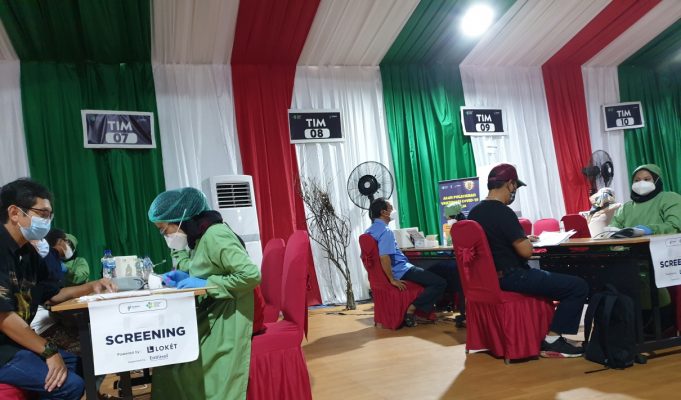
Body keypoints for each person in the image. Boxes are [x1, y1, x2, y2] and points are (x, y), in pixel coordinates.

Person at [0, 178, 115, 398]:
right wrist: (49, 351)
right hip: (3, 349)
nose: (47, 222)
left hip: (15, 344)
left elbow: (53, 295)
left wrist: (93, 286)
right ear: (14, 213)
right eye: (42, 214)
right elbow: (3, 317)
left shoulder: (27, 253)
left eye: (49, 216)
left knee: (85, 366)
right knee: (70, 385)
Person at [147, 187, 261, 400]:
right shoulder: (198, 237)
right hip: (215, 306)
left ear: (180, 219)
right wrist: (186, 274)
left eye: (163, 230)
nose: (165, 236)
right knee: (171, 356)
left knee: (185, 363)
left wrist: (208, 283)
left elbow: (251, 275)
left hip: (231, 310)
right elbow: (204, 265)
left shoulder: (216, 235)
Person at [467, 164, 588, 358]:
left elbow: (493, 241)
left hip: (489, 280)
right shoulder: (504, 212)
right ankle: (552, 341)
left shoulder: (474, 213)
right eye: (515, 186)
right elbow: (526, 253)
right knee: (577, 286)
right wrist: (525, 241)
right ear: (510, 184)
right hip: (512, 277)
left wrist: (520, 238)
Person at [609, 164, 681, 334]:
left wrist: (649, 230)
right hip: (630, 256)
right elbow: (613, 229)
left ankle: (662, 325)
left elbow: (675, 225)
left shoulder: (669, 198)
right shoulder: (626, 207)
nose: (641, 183)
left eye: (647, 179)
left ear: (657, 180)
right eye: (637, 180)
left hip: (662, 255)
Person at [366, 198, 446, 326]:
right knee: (439, 282)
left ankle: (427, 311)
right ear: (383, 212)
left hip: (392, 271)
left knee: (429, 273)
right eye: (391, 208)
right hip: (401, 270)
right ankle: (413, 309)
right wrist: (392, 279)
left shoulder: (369, 231)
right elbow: (384, 257)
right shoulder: (385, 231)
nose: (393, 210)